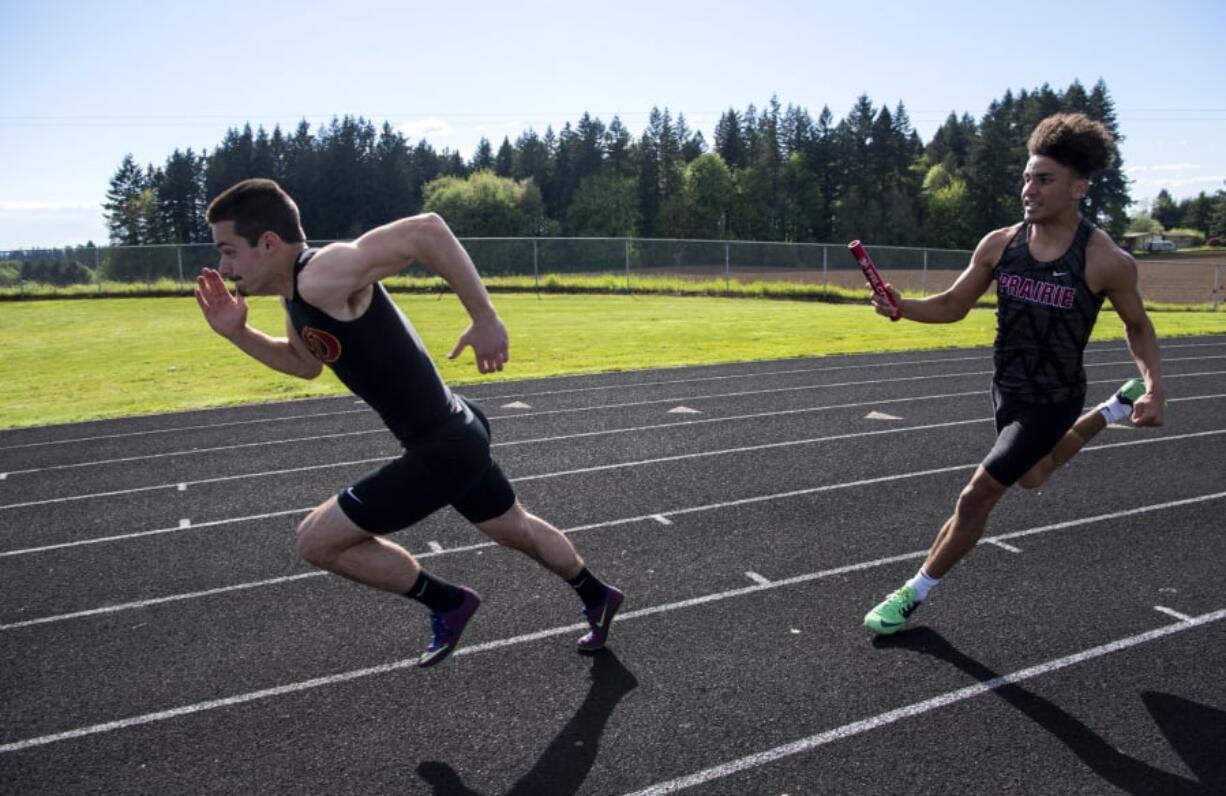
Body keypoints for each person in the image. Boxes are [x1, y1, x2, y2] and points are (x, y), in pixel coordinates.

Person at [195, 178, 624, 666]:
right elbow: (304, 363)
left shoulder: (321, 273)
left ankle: (447, 601)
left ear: (267, 242)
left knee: (315, 540)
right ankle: (597, 594)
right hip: (456, 430)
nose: (224, 268)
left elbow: (427, 230)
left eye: (228, 252)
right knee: (515, 528)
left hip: (441, 446)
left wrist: (485, 317)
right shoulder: (297, 298)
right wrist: (238, 333)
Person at [863, 113, 1165, 634]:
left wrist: (1157, 386)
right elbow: (955, 304)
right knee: (1033, 475)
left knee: (977, 495)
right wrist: (902, 307)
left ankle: (913, 594)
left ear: (1078, 187)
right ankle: (1112, 410)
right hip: (1006, 388)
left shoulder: (1105, 260)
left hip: (1053, 398)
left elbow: (1137, 326)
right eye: (1027, 177)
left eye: (1044, 179)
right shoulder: (1000, 244)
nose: (1029, 188)